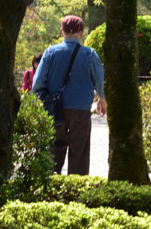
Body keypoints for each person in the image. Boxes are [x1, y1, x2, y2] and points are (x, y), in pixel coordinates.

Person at [31, 16, 105, 177]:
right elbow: (99, 80)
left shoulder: (51, 52)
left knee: (53, 150)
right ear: (81, 33)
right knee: (79, 152)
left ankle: (49, 186)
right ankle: (75, 190)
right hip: (80, 110)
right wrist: (102, 98)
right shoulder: (90, 54)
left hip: (54, 110)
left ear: (62, 32)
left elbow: (37, 82)